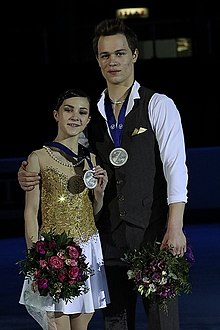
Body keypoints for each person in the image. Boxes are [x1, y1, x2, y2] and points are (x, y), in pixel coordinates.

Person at [18, 18, 188, 330]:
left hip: (153, 233)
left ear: (134, 55)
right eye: (105, 55)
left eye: (120, 53)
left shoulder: (158, 105)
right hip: (107, 237)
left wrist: (175, 227)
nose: (113, 61)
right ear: (98, 60)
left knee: (163, 321)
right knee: (116, 323)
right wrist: (30, 172)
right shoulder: (89, 113)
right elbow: (62, 158)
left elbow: (175, 168)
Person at [19, 88, 110, 330]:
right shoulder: (39, 157)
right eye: (68, 110)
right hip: (54, 252)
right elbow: (30, 212)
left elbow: (93, 211)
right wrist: (35, 259)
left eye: (82, 112)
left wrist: (99, 195)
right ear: (56, 115)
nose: (75, 116)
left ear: (89, 119)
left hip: (88, 249)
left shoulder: (91, 160)